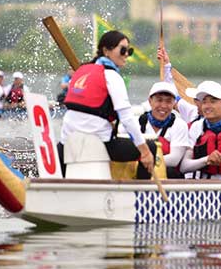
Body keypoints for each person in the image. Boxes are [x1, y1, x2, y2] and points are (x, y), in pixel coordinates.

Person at [59, 30, 155, 178]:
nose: (126, 55)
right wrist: (145, 152)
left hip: (67, 142)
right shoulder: (112, 76)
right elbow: (127, 119)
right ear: (106, 51)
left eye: (129, 51)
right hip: (99, 143)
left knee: (60, 148)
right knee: (151, 147)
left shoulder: (81, 71)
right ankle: (140, 196)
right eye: (123, 50)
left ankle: (61, 186)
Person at [139, 81, 191, 178]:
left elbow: (174, 160)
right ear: (150, 101)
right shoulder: (137, 123)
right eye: (159, 100)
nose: (163, 106)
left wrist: (147, 160)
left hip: (169, 178)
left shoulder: (179, 125)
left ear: (174, 103)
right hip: (140, 176)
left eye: (168, 101)